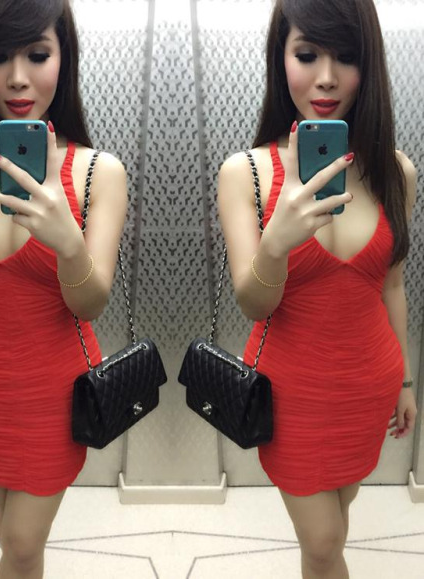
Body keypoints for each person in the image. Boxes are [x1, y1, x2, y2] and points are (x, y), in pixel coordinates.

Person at [0, 0, 127, 577]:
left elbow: (92, 303)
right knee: (8, 522)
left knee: (17, 543)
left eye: (37, 54)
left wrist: (67, 243)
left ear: (64, 57)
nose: (18, 77)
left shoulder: (98, 174)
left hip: (53, 395)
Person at [217, 0, 417, 577]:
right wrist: (277, 243)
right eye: (306, 55)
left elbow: (393, 284)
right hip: (291, 394)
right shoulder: (246, 174)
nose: (326, 77)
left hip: (370, 384)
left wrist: (405, 381)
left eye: (345, 57)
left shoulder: (395, 172)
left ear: (368, 65)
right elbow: (252, 303)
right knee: (326, 542)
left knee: (336, 522)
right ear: (280, 57)